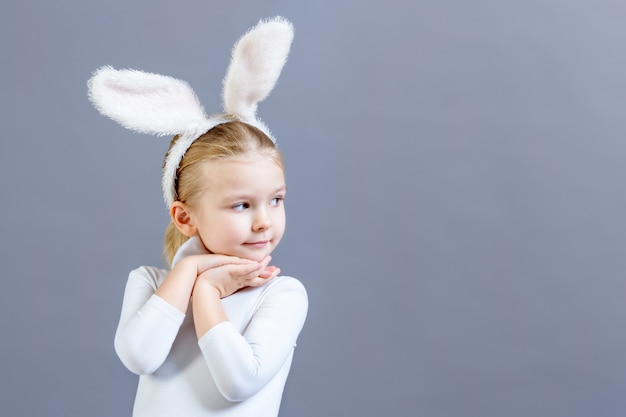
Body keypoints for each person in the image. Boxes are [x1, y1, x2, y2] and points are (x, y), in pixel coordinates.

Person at [87, 17, 307, 417]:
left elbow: (239, 381)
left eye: (275, 200)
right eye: (242, 205)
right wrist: (189, 275)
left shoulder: (280, 295)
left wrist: (206, 293)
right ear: (185, 217)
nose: (264, 221)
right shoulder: (150, 284)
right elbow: (140, 357)